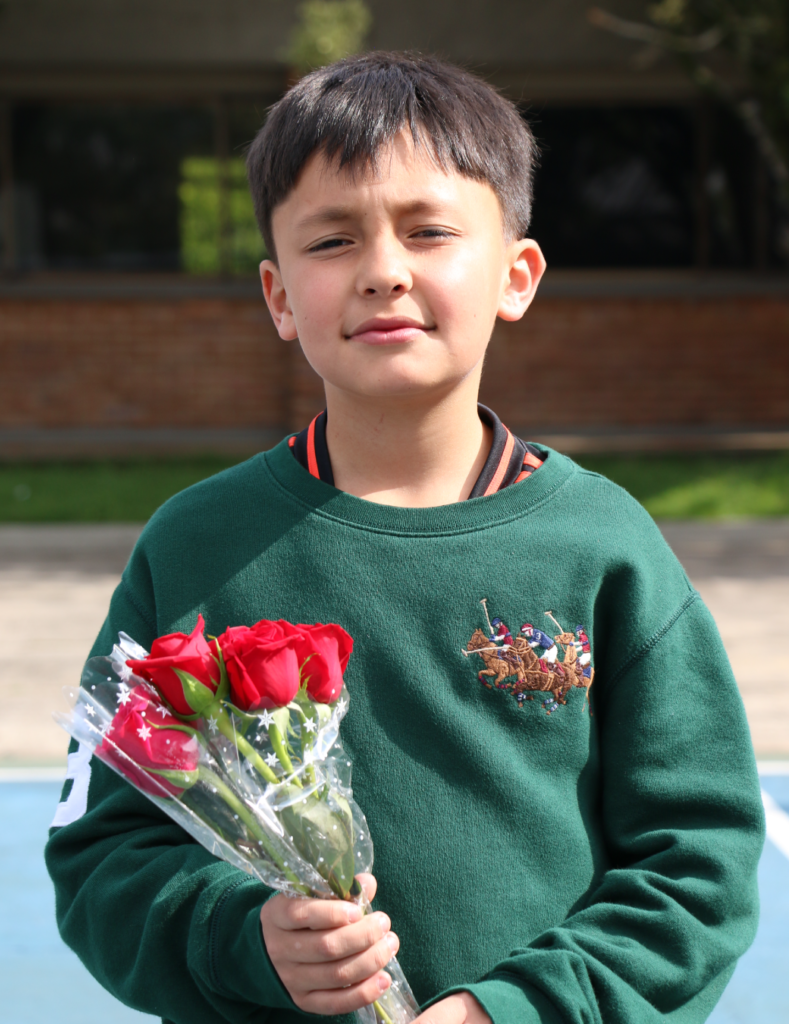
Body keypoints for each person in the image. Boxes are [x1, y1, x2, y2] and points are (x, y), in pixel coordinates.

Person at [45, 52, 764, 1024]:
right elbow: (105, 855)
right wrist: (243, 937)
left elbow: (697, 866)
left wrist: (505, 1011)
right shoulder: (195, 547)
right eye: (333, 240)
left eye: (429, 231)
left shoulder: (608, 547)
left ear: (517, 275)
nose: (384, 270)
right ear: (278, 296)